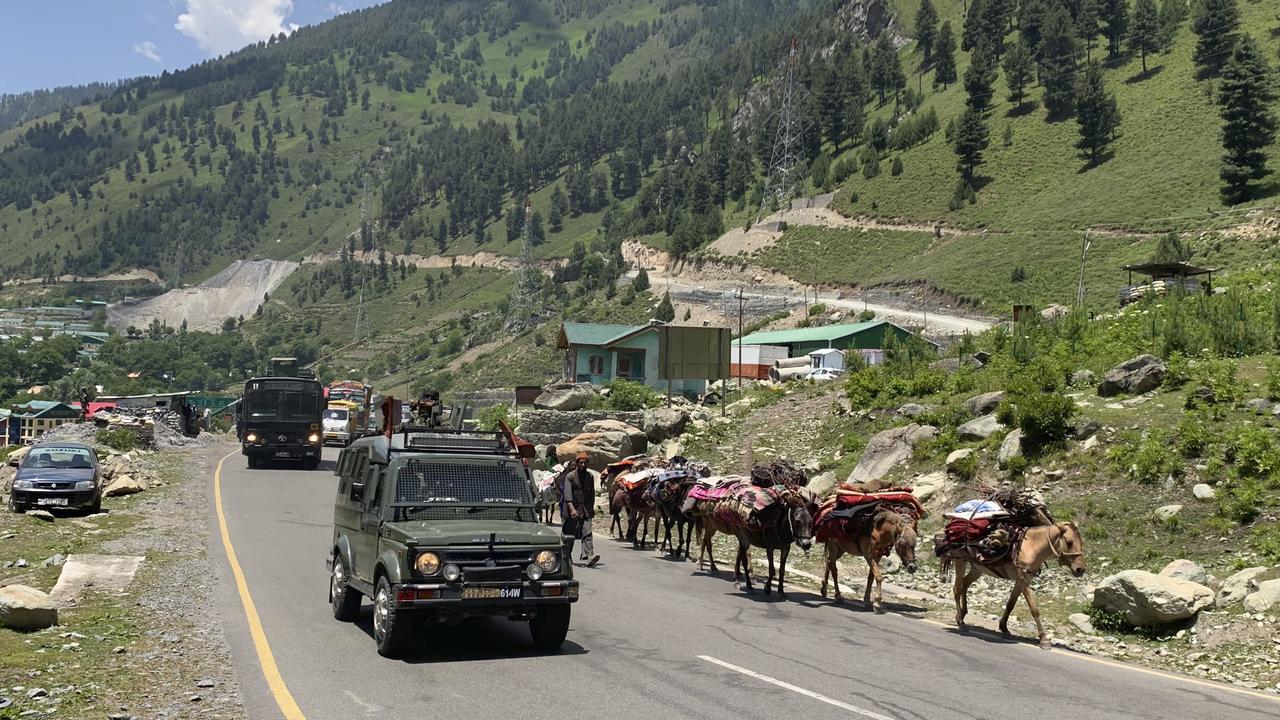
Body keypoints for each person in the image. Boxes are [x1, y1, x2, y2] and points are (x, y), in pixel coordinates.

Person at [560, 452, 599, 568]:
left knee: (587, 532)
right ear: (577, 464)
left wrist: (591, 508)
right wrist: (572, 509)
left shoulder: (590, 476)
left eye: (585, 463)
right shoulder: (570, 477)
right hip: (572, 509)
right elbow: (567, 494)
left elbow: (591, 493)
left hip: (585, 509)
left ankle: (589, 555)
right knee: (570, 535)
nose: (583, 465)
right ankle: (567, 555)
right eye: (581, 463)